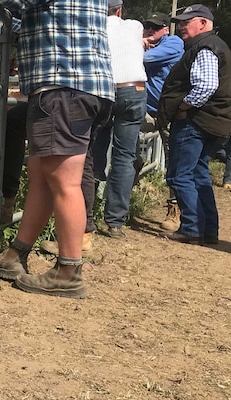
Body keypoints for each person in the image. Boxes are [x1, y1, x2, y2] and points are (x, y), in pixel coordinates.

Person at [0, 0, 115, 298]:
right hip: (77, 83)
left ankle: (68, 271)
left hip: (64, 84)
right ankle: (15, 255)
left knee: (63, 180)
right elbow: (38, 19)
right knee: (42, 173)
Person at [157, 4, 231, 244]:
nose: (180, 27)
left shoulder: (205, 46)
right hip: (213, 121)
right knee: (199, 174)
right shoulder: (214, 46)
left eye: (186, 22)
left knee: (181, 175)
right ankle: (208, 229)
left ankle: (191, 228)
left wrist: (183, 106)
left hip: (196, 121)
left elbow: (206, 85)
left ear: (203, 23)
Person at [91, 0, 148, 239]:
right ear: (120, 11)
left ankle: (85, 216)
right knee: (124, 157)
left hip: (104, 88)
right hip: (134, 89)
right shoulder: (135, 26)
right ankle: (115, 222)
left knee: (93, 150)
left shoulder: (93, 27)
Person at [141, 12, 185, 231]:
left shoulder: (174, 43)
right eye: (147, 26)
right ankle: (134, 167)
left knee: (174, 161)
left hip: (169, 112)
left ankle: (174, 210)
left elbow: (144, 59)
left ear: (166, 30)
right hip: (146, 111)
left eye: (155, 27)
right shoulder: (143, 44)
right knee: (120, 142)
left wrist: (139, 48)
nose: (150, 30)